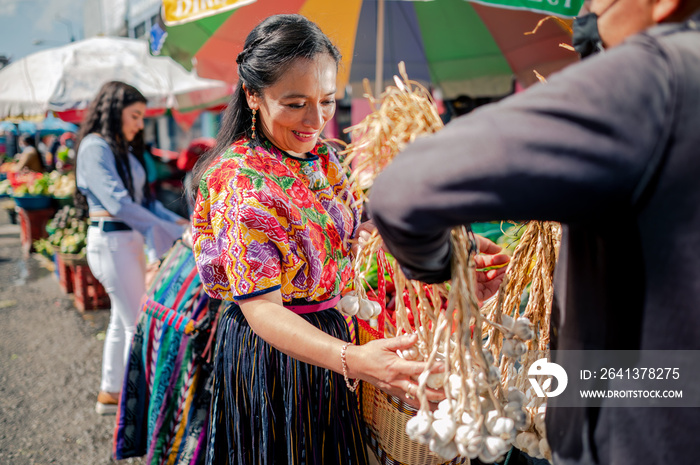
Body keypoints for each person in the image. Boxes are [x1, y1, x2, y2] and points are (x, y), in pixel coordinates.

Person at [369, 1, 700, 464]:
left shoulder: (656, 76)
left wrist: (449, 259)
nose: (586, 10)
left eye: (599, 1)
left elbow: (403, 192)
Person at [189, 14, 472, 465]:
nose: (316, 119)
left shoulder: (319, 157)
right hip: (276, 355)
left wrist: (457, 250)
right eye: (295, 102)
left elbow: (355, 228)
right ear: (252, 95)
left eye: (327, 100)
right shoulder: (239, 182)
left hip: (336, 338)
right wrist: (353, 359)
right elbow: (261, 308)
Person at [75, 81, 188, 415]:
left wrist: (178, 223)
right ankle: (144, 408)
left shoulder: (119, 149)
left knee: (122, 319)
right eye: (135, 115)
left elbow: (145, 203)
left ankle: (111, 393)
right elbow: (119, 203)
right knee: (137, 322)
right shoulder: (95, 147)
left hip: (126, 241)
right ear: (113, 111)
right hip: (112, 241)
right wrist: (165, 227)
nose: (141, 124)